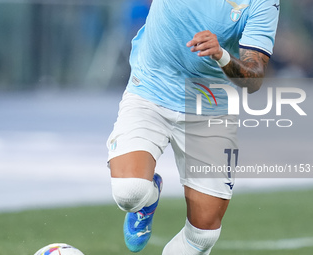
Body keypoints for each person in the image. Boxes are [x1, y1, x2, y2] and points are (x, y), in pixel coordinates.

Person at [107, 0, 280, 254]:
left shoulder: (263, 3)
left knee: (203, 236)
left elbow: (253, 78)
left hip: (211, 109)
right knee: (129, 192)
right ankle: (148, 199)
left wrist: (221, 55)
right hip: (151, 90)